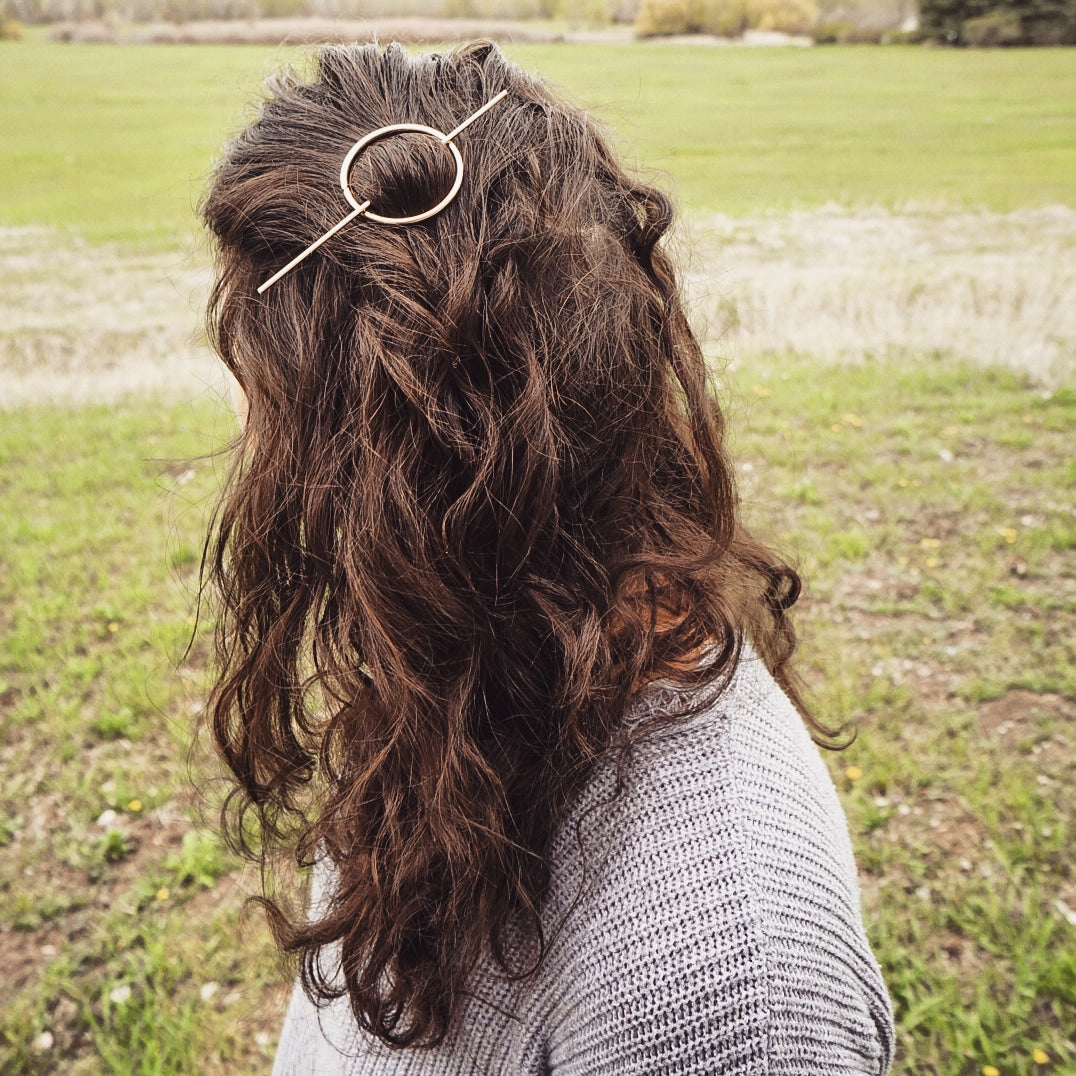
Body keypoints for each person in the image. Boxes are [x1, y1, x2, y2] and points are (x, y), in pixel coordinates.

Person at [200, 41, 895, 1075]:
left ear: (408, 453)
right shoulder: (460, 650)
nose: (253, 433)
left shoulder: (732, 986)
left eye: (274, 390)